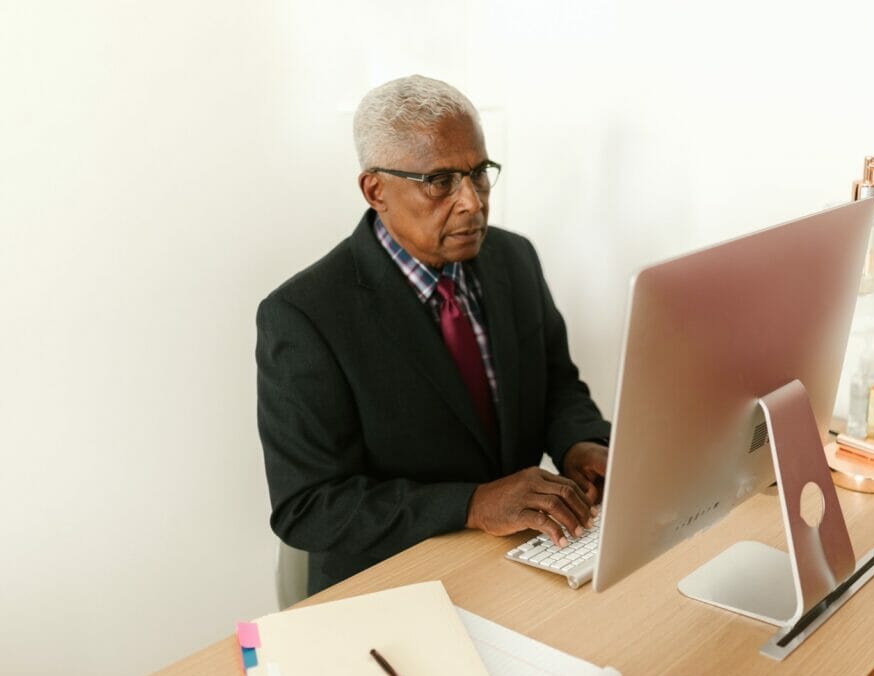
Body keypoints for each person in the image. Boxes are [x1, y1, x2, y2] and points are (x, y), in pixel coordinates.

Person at [256, 75, 610, 594]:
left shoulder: (514, 258)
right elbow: (309, 508)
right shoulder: (304, 316)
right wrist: (473, 504)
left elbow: (557, 385)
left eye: (479, 173)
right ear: (375, 189)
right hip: (394, 587)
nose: (472, 202)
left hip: (521, 560)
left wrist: (581, 443)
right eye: (440, 181)